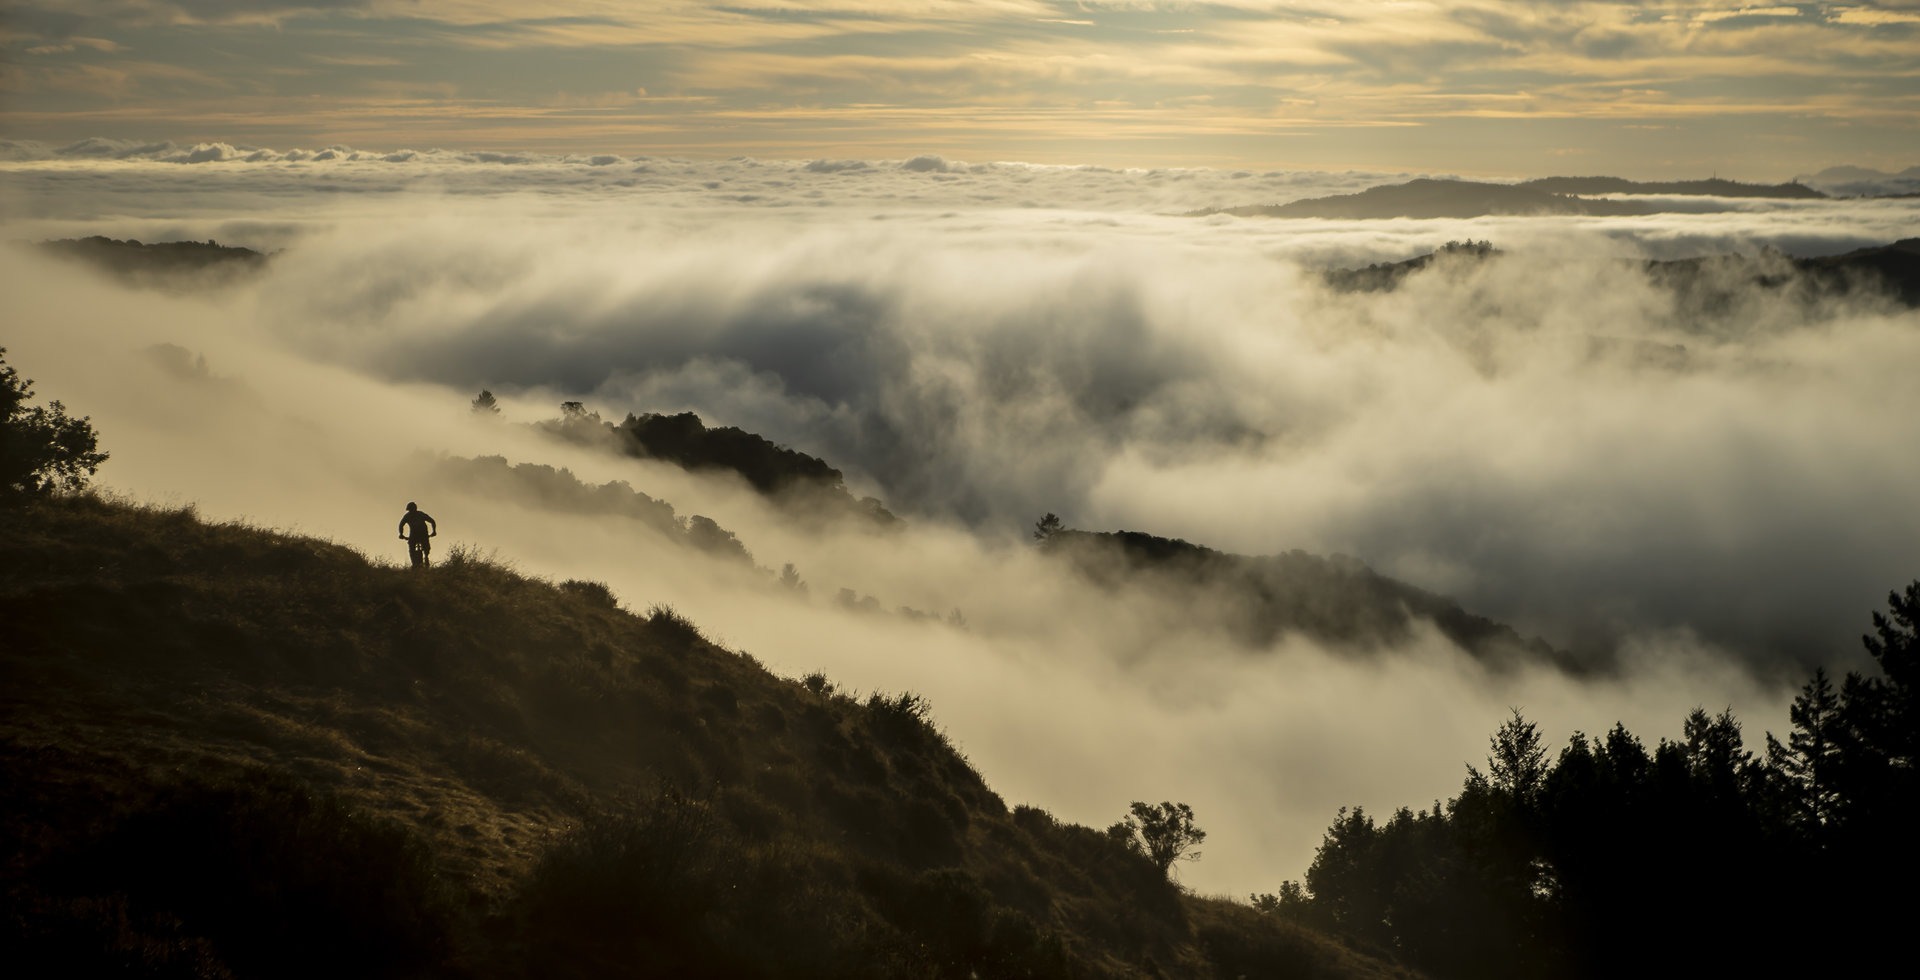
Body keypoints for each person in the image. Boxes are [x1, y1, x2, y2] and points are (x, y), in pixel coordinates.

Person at [397, 501, 437, 568]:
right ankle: (421, 560)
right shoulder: (418, 514)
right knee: (416, 547)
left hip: (419, 534)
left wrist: (401, 534)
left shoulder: (411, 515)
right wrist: (434, 532)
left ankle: (424, 558)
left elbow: (401, 525)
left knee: (413, 547)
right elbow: (432, 521)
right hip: (419, 534)